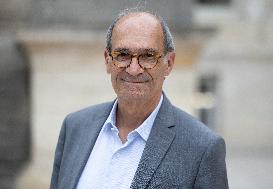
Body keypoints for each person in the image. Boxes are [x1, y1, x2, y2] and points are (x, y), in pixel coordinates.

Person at [51, 11, 228, 189]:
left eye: (148, 56)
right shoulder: (75, 127)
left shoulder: (202, 148)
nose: (134, 69)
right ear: (107, 60)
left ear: (169, 64)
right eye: (122, 55)